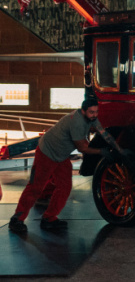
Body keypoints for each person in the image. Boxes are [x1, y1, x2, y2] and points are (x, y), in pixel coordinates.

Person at [8, 99, 121, 233]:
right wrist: (101, 152)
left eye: (96, 112)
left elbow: (104, 133)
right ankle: (17, 219)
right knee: (36, 187)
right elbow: (82, 148)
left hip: (61, 155)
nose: (94, 115)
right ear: (83, 111)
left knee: (65, 186)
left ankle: (49, 218)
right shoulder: (77, 122)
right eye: (91, 112)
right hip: (47, 152)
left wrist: (119, 148)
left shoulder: (92, 119)